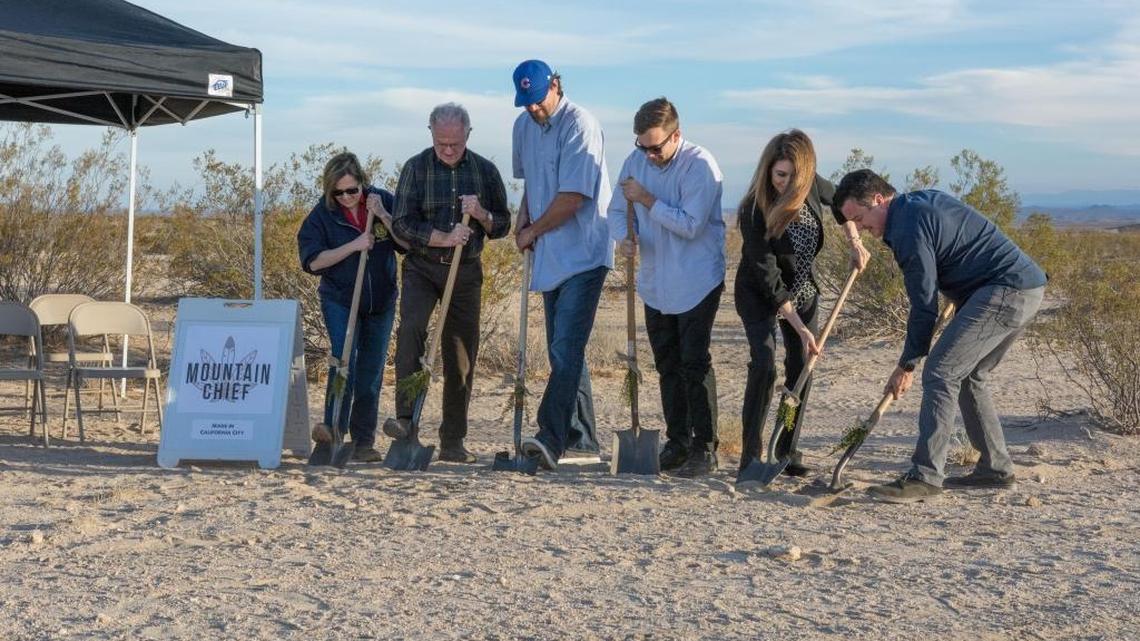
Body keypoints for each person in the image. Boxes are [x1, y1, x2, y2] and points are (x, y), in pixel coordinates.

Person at [834, 169, 1046, 503]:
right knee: (970, 375)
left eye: (859, 219)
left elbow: (923, 305)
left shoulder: (906, 226)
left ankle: (926, 477)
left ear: (878, 200)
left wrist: (907, 364)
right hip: (1023, 287)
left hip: (1005, 290)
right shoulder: (918, 203)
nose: (860, 229)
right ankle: (995, 468)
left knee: (940, 372)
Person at [734, 130, 869, 479]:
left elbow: (842, 203)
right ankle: (750, 455)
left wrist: (854, 241)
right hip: (760, 293)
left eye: (796, 176)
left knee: (801, 370)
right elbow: (768, 276)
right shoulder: (753, 209)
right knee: (764, 366)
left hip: (804, 289)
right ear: (768, 171)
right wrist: (798, 325)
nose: (788, 184)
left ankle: (785, 449)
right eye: (781, 175)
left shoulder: (808, 184)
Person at [385, 103, 512, 463]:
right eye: (442, 143)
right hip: (422, 268)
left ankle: (453, 440)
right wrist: (440, 236)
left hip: (466, 271)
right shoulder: (416, 167)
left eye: (455, 143)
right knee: (410, 332)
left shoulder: (485, 171)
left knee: (460, 355)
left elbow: (502, 224)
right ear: (431, 133)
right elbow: (401, 223)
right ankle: (405, 424)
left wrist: (481, 215)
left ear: (468, 135)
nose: (448, 150)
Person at [607, 97, 726, 477]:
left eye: (656, 147)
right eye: (642, 146)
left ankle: (705, 447)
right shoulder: (635, 161)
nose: (649, 155)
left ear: (677, 136)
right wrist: (623, 236)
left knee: (694, 361)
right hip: (655, 282)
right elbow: (614, 211)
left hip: (697, 279)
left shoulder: (700, 167)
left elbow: (691, 225)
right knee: (666, 364)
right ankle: (677, 442)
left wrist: (647, 199)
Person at [510, 59, 614, 470]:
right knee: (564, 352)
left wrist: (532, 231)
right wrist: (523, 220)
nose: (533, 109)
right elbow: (531, 186)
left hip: (585, 253)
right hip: (550, 258)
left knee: (566, 348)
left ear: (555, 85)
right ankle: (584, 441)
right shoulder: (523, 127)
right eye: (526, 103)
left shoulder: (581, 125)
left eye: (537, 100)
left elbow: (573, 198)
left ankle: (550, 436)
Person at [298, 151, 407, 462]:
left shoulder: (383, 199)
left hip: (381, 301)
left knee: (371, 373)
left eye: (352, 190)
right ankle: (333, 431)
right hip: (340, 300)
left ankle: (363, 441)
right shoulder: (321, 215)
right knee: (343, 362)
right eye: (338, 192)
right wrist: (353, 246)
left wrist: (384, 215)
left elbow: (406, 243)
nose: (346, 197)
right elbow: (313, 261)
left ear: (362, 183)